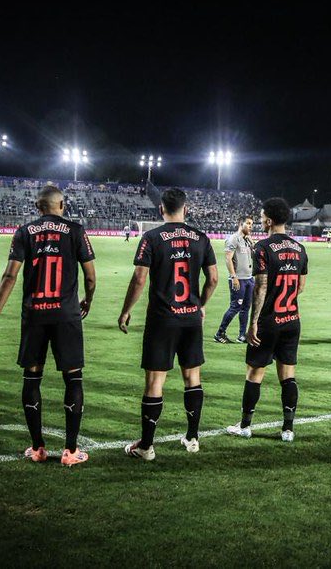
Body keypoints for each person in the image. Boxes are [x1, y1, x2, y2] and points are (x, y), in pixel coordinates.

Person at [0, 185, 97, 467]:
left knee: (32, 378)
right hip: (66, 316)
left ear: (38, 207)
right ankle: (71, 451)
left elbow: (10, 275)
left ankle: (37, 448)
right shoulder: (75, 230)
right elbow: (91, 277)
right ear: (62, 205)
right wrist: (88, 300)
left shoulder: (24, 232)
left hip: (34, 314)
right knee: (73, 378)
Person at [118, 186, 219, 460]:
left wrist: (126, 310)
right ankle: (193, 437)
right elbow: (213, 279)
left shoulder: (151, 237)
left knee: (154, 381)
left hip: (162, 319)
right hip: (190, 319)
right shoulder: (201, 237)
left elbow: (140, 278)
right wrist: (201, 305)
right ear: (186, 209)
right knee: (192, 377)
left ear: (161, 209)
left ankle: (147, 447)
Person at [226, 198, 307, 442]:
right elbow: (301, 286)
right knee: (288, 376)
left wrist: (254, 322)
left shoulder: (262, 247)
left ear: (269, 220)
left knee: (254, 373)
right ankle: (288, 430)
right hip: (292, 319)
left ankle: (245, 425)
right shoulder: (299, 248)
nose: (260, 221)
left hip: (269, 321)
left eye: (262, 218)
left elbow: (260, 287)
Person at [214, 215, 255, 344]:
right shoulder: (233, 239)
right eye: (248, 223)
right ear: (240, 224)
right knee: (235, 307)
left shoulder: (246, 240)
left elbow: (254, 254)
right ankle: (220, 333)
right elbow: (228, 258)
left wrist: (251, 241)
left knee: (246, 308)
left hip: (249, 279)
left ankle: (242, 335)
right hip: (239, 279)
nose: (250, 226)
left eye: (251, 224)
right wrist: (233, 277)